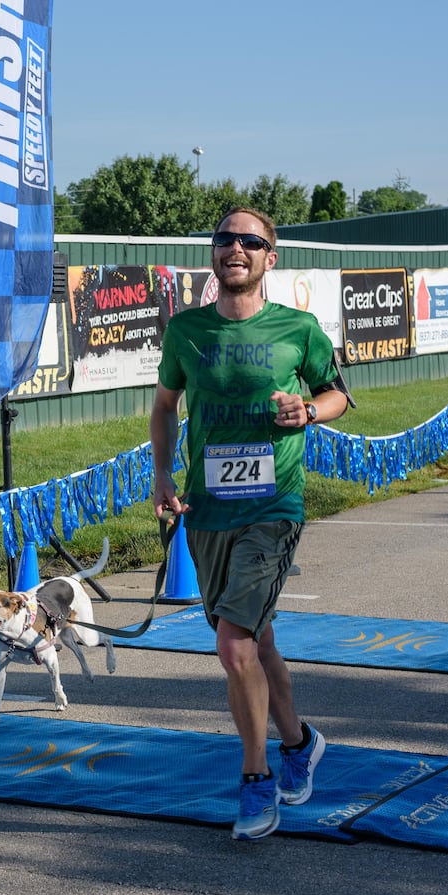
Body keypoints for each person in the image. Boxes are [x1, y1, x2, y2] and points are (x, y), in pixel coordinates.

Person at [149, 206, 353, 840]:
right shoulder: (185, 332)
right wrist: (161, 476)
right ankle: (299, 743)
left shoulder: (299, 328)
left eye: (250, 241)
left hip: (274, 507)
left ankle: (255, 779)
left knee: (233, 643)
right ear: (215, 254)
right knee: (258, 643)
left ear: (271, 257)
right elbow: (164, 406)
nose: (235, 247)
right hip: (209, 512)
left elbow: (339, 394)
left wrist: (308, 412)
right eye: (225, 239)